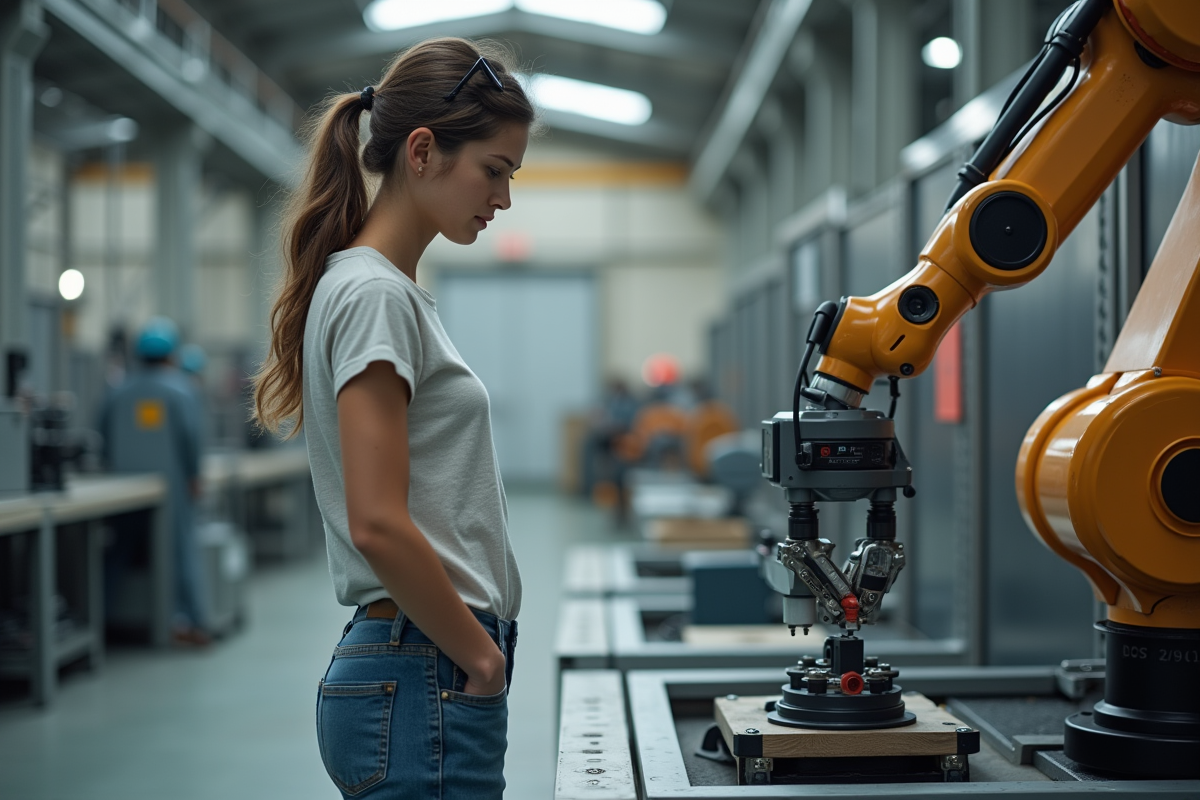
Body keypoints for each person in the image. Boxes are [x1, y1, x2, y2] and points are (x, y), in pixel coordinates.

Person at [251, 38, 534, 799]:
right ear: (422, 150)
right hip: (426, 669)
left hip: (414, 665)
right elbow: (377, 521)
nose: (503, 199)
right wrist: (480, 658)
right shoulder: (375, 294)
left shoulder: (377, 290)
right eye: (495, 171)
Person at [99, 317, 210, 645]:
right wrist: (194, 476)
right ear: (172, 354)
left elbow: (101, 433)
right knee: (180, 551)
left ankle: (102, 621)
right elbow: (191, 438)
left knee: (116, 553)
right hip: (171, 489)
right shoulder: (183, 389)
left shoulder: (118, 391)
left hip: (123, 490)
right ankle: (194, 621)